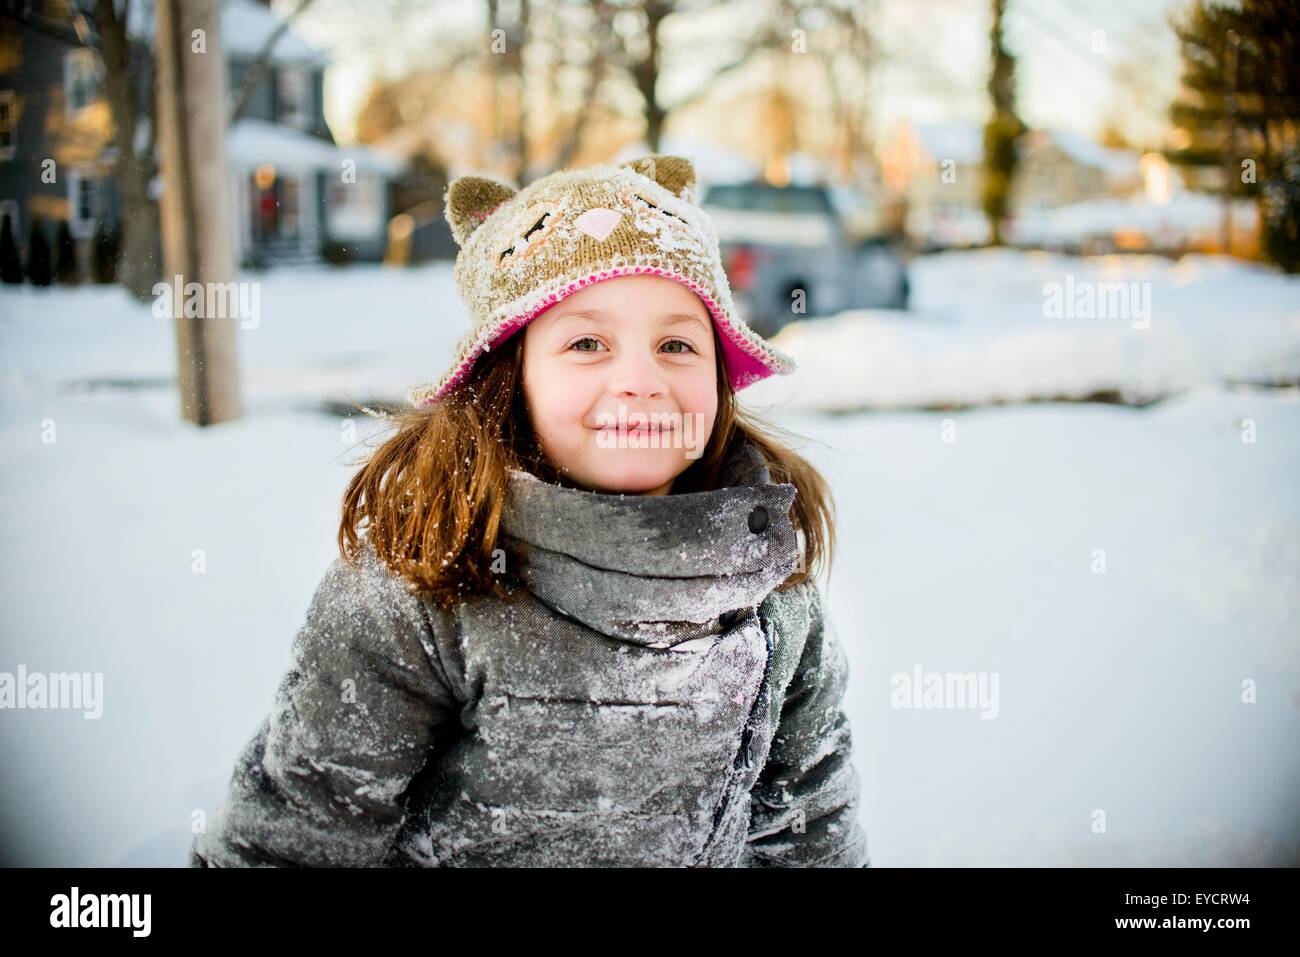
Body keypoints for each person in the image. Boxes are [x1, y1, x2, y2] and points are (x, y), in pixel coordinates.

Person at [189, 154, 870, 868]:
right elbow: (296, 836)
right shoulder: (424, 582)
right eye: (586, 343)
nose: (640, 380)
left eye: (676, 344)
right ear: (511, 379)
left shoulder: (767, 586)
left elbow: (810, 825)